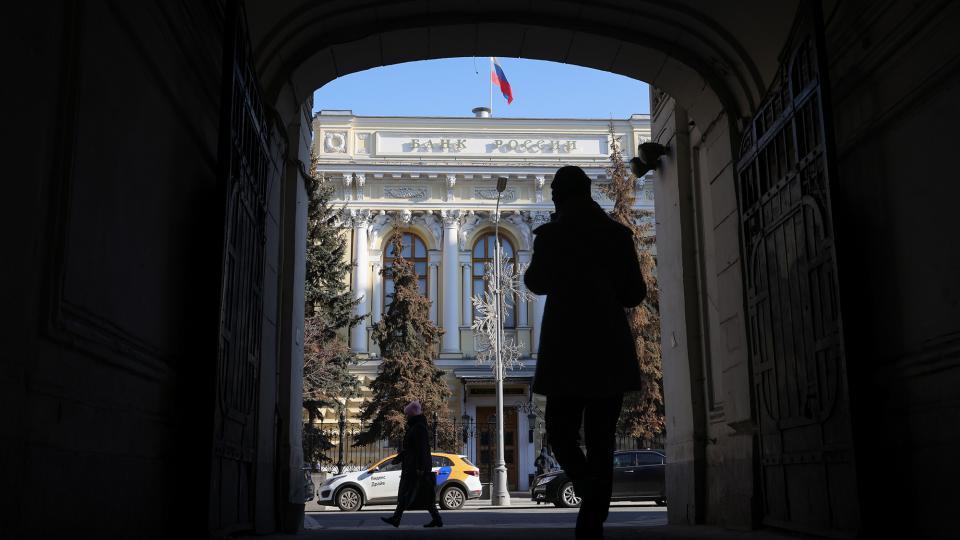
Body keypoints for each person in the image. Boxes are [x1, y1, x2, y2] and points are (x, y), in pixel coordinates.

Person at [524, 165, 646, 540]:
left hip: (566, 351)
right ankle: (593, 515)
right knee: (602, 437)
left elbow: (535, 281)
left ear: (560, 196)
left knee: (560, 432)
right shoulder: (617, 235)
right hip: (608, 349)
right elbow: (634, 294)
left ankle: (588, 489)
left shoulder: (552, 235)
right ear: (588, 192)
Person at [380, 401, 443, 529]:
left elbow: (422, 449)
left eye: (407, 414)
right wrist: (399, 458)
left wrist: (421, 467)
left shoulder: (419, 427)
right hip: (413, 466)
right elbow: (411, 449)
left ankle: (396, 519)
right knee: (423, 495)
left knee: (407, 493)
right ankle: (436, 519)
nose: (406, 416)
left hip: (415, 468)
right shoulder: (416, 426)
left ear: (412, 414)